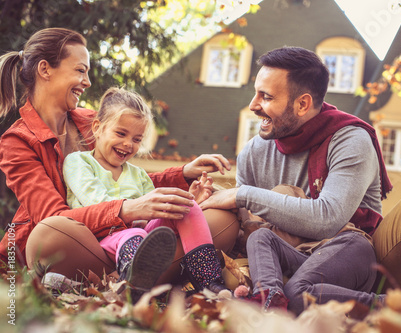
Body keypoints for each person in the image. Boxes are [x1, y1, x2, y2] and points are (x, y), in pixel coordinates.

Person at [199, 46, 401, 328]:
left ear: (302, 103)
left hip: (359, 263)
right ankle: (280, 303)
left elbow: (327, 218)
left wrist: (243, 194)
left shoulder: (350, 140)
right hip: (287, 269)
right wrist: (205, 205)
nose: (253, 105)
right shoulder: (254, 153)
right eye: (256, 94)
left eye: (266, 97)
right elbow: (250, 231)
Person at [0, 28, 239, 292]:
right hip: (79, 245)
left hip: (132, 239)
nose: (88, 81)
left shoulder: (92, 121)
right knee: (51, 231)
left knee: (220, 219)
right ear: (45, 69)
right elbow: (55, 215)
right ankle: (146, 274)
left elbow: (127, 181)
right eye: (80, 70)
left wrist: (184, 174)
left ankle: (136, 278)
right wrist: (126, 209)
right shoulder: (17, 141)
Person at [62, 87, 229, 299]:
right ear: (98, 127)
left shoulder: (138, 174)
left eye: (137, 139)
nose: (127, 144)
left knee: (186, 208)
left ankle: (209, 281)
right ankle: (133, 286)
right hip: (100, 238)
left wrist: (188, 200)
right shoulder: (79, 162)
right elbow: (95, 201)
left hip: (144, 237)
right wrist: (137, 214)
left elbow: (157, 211)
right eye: (121, 133)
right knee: (136, 235)